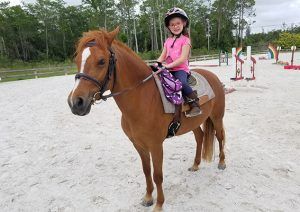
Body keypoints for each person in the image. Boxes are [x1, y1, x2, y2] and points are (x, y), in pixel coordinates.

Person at [155, 7, 201, 118]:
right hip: (168, 68)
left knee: (182, 83)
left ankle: (194, 104)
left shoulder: (185, 40)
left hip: (180, 69)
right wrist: (156, 64)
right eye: (172, 24)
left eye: (178, 23)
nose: (175, 26)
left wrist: (167, 66)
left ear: (184, 23)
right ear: (169, 27)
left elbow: (182, 58)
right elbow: (163, 55)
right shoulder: (168, 41)